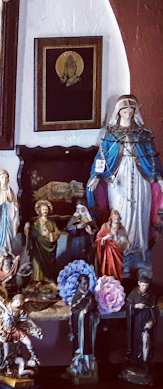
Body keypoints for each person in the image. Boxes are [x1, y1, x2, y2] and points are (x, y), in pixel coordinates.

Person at [86, 95, 163, 275]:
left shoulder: (144, 134)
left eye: (131, 110)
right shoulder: (111, 135)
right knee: (120, 214)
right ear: (118, 112)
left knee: (140, 216)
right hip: (118, 180)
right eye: (124, 110)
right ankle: (121, 256)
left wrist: (159, 178)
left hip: (141, 179)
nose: (128, 114)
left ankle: (140, 256)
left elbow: (152, 159)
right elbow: (102, 158)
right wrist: (96, 176)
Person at [121, 272, 159, 385]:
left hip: (147, 321)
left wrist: (152, 321)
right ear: (139, 283)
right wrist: (136, 306)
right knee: (136, 341)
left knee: (146, 340)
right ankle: (137, 361)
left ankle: (145, 360)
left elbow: (155, 310)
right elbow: (128, 305)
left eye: (146, 286)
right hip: (137, 321)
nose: (144, 288)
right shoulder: (134, 293)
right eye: (143, 285)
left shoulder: (151, 296)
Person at [67, 274, 100, 382]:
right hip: (79, 330)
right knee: (79, 347)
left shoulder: (90, 295)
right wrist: (82, 313)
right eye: (84, 284)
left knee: (89, 347)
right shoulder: (76, 296)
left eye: (87, 284)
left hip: (89, 328)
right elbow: (73, 311)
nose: (86, 286)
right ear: (79, 283)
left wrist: (91, 314)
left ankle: (89, 368)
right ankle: (78, 368)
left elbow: (95, 310)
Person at [25, 200, 61, 284]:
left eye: (46, 209)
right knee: (38, 262)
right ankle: (37, 280)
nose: (45, 211)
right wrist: (27, 229)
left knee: (49, 263)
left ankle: (48, 279)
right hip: (38, 247)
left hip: (49, 248)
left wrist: (50, 235)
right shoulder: (36, 223)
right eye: (43, 209)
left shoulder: (52, 223)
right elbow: (32, 233)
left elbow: (57, 232)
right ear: (39, 211)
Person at [0, 170, 20, 265]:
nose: (4, 180)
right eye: (2, 177)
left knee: (8, 238)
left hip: (8, 220)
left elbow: (15, 205)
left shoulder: (10, 192)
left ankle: (8, 254)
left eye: (6, 178)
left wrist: (11, 204)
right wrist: (0, 203)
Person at [94, 210, 129, 281]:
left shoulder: (122, 228)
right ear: (111, 219)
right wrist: (105, 238)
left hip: (117, 251)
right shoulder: (105, 226)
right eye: (114, 219)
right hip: (108, 252)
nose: (116, 221)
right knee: (108, 267)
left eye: (118, 219)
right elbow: (98, 239)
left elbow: (126, 242)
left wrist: (122, 240)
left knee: (118, 267)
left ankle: (117, 281)